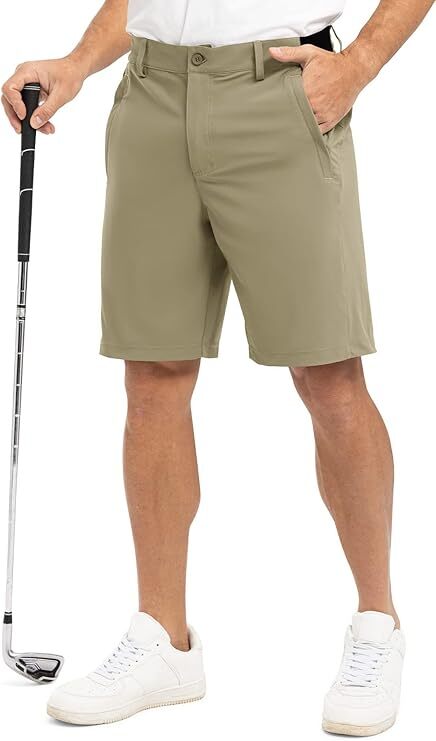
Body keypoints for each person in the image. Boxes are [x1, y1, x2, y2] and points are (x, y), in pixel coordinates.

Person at [2, 0, 433, 733]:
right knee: (152, 376)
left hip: (283, 95)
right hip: (152, 98)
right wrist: (77, 64)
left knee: (328, 374)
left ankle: (377, 624)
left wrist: (358, 65)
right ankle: (163, 640)